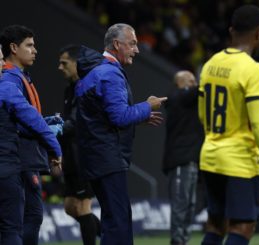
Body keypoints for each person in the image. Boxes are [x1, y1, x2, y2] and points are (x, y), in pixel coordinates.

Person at [75, 23, 167, 245]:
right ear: (117, 44)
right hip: (108, 158)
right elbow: (119, 117)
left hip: (95, 157)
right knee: (119, 224)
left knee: (112, 220)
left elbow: (103, 118)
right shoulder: (110, 73)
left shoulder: (93, 73)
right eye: (133, 44)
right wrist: (147, 106)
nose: (137, 49)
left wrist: (139, 117)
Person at [198, 5, 259, 245]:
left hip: (210, 155)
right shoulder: (252, 69)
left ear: (231, 30)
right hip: (239, 161)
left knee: (216, 225)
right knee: (243, 227)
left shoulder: (211, 64)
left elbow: (204, 115)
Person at [0, 25, 58, 245]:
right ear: (13, 48)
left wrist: (46, 123)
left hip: (21, 158)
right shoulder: (11, 80)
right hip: (19, 158)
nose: (35, 50)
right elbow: (18, 122)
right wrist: (48, 133)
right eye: (30, 45)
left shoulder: (20, 77)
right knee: (28, 218)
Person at [58, 44, 100, 245]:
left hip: (84, 158)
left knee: (83, 207)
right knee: (69, 206)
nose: (60, 67)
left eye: (64, 63)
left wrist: (52, 129)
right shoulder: (69, 90)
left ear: (77, 64)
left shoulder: (85, 87)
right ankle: (112, 232)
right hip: (70, 158)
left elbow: (76, 123)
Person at [162, 70, 204, 245]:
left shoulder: (189, 101)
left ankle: (183, 241)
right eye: (191, 80)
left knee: (189, 207)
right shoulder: (176, 97)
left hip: (192, 160)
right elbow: (198, 90)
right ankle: (177, 242)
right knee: (181, 206)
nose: (194, 83)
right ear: (180, 82)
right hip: (180, 160)